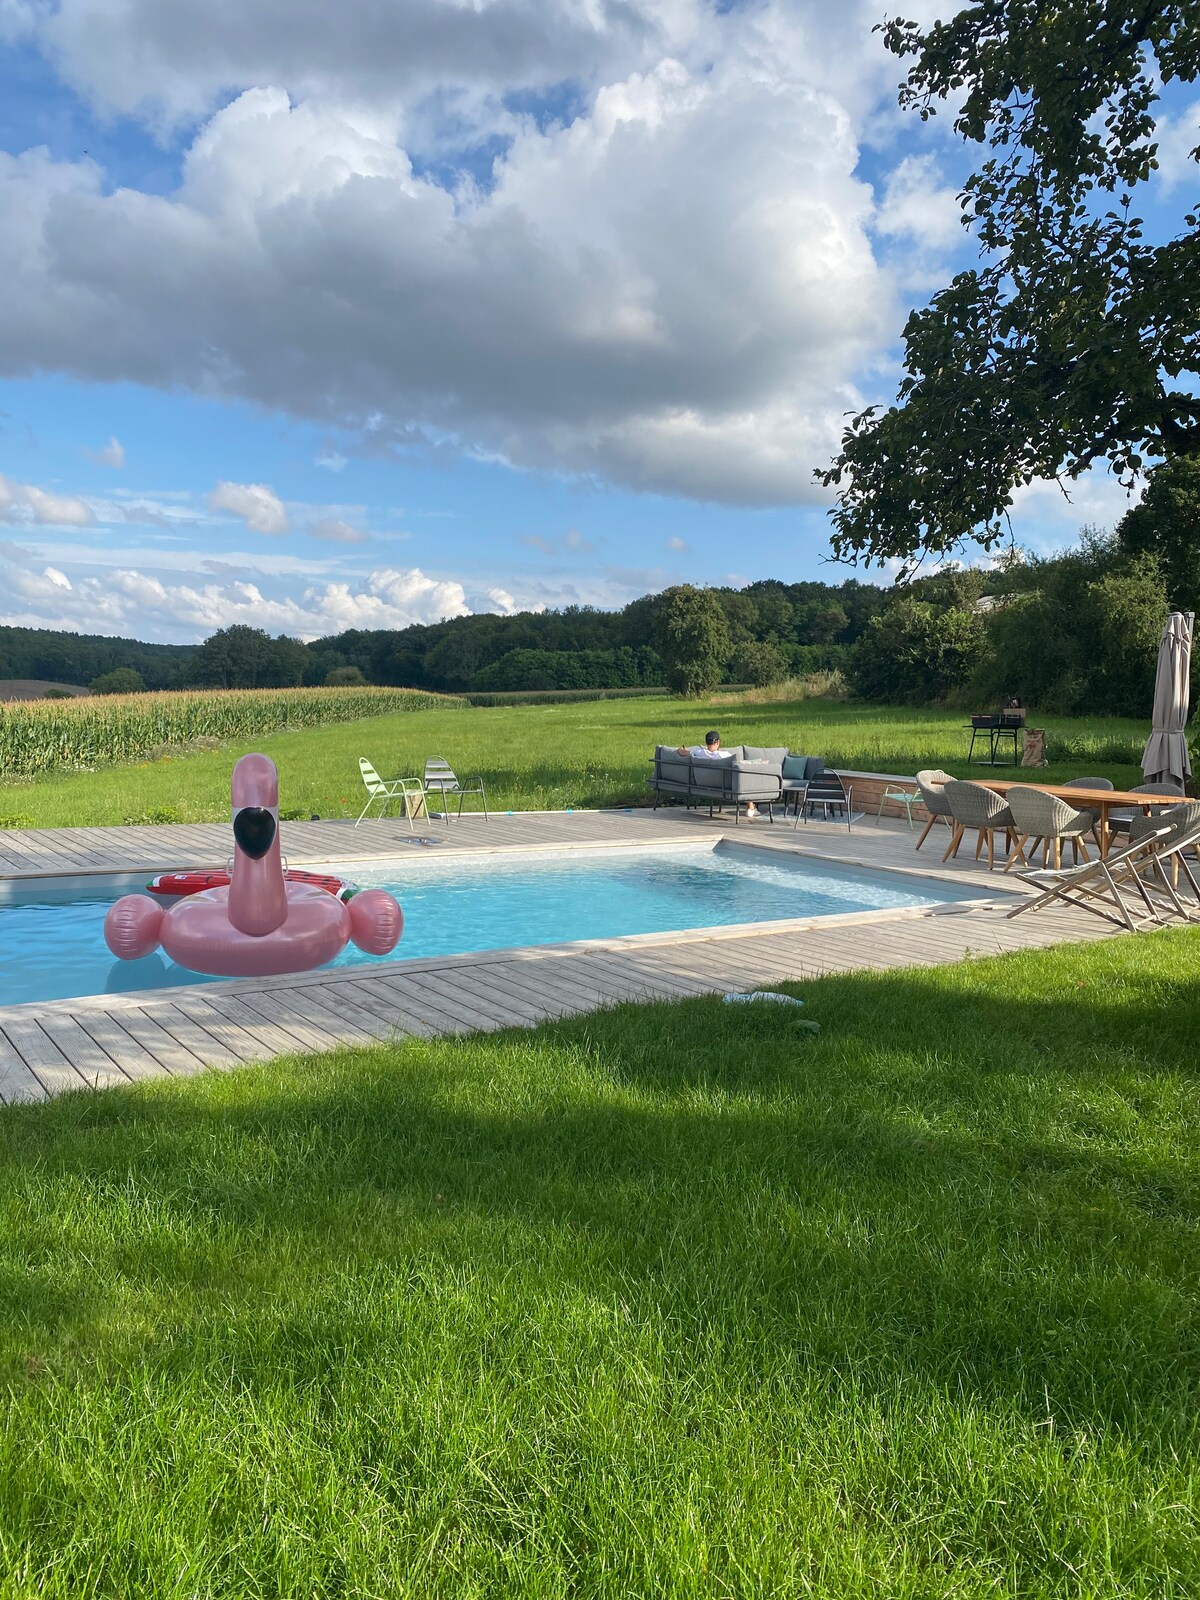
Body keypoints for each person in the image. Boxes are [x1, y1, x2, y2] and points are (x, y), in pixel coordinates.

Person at [675, 731, 760, 818]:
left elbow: (682, 752)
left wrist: (680, 748)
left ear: (706, 742)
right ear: (718, 742)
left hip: (705, 782)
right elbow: (737, 764)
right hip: (726, 784)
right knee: (743, 777)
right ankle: (751, 806)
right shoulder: (724, 755)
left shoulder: (699, 752)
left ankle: (751, 807)